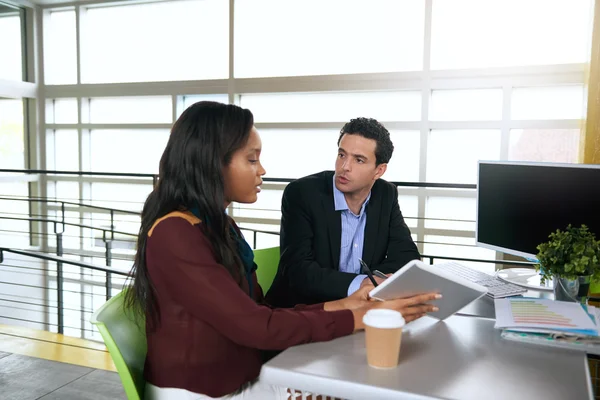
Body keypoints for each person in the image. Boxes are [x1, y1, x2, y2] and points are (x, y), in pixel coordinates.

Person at [125, 102, 439, 400]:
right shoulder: (175, 233)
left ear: (378, 170)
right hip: (207, 392)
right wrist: (362, 315)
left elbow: (260, 314)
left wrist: (346, 304)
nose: (262, 169)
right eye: (251, 159)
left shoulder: (219, 227)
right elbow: (257, 326)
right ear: (213, 163)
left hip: (242, 376)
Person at [266, 117, 421, 308]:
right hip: (303, 312)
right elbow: (299, 271)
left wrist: (370, 282)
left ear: (379, 170)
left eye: (358, 160)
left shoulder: (385, 195)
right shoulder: (302, 194)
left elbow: (407, 256)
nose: (344, 167)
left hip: (361, 310)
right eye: (342, 155)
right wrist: (361, 284)